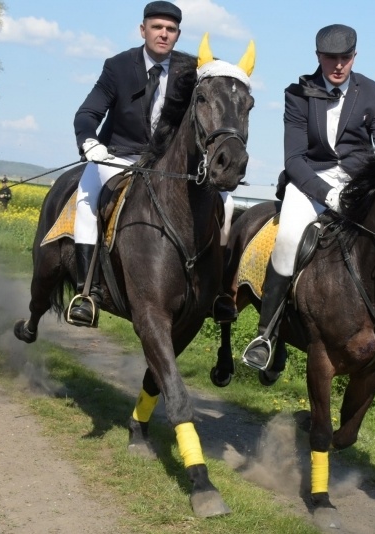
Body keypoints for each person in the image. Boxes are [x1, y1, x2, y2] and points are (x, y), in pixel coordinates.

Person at [242, 24, 375, 371]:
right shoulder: (298, 92)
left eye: (346, 58)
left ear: (354, 57)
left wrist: (362, 188)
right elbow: (294, 159)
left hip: (358, 183)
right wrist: (327, 194)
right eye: (332, 58)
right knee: (287, 238)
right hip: (310, 181)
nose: (339, 65)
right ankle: (265, 333)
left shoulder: (373, 92)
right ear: (319, 57)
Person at [69, 1, 235, 327]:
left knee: (226, 207)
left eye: (170, 29)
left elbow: (218, 98)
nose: (163, 34)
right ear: (142, 29)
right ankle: (85, 292)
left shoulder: (193, 68)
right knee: (87, 198)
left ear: (178, 34)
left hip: (168, 165)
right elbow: (88, 112)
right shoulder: (117, 66)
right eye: (157, 27)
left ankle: (218, 293)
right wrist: (90, 141)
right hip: (119, 154)